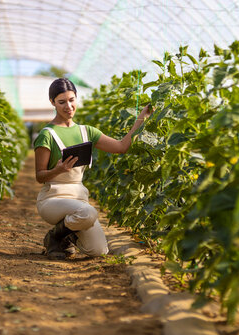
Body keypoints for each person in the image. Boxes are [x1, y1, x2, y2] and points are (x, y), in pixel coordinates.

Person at [33, 78, 152, 260]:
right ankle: (54, 237)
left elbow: (121, 147)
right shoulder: (47, 135)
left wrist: (142, 117)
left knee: (98, 250)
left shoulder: (86, 132)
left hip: (79, 199)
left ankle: (67, 236)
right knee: (88, 212)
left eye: (72, 100)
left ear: (76, 99)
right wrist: (58, 169)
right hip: (52, 199)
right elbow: (40, 176)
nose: (68, 106)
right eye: (62, 102)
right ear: (53, 103)